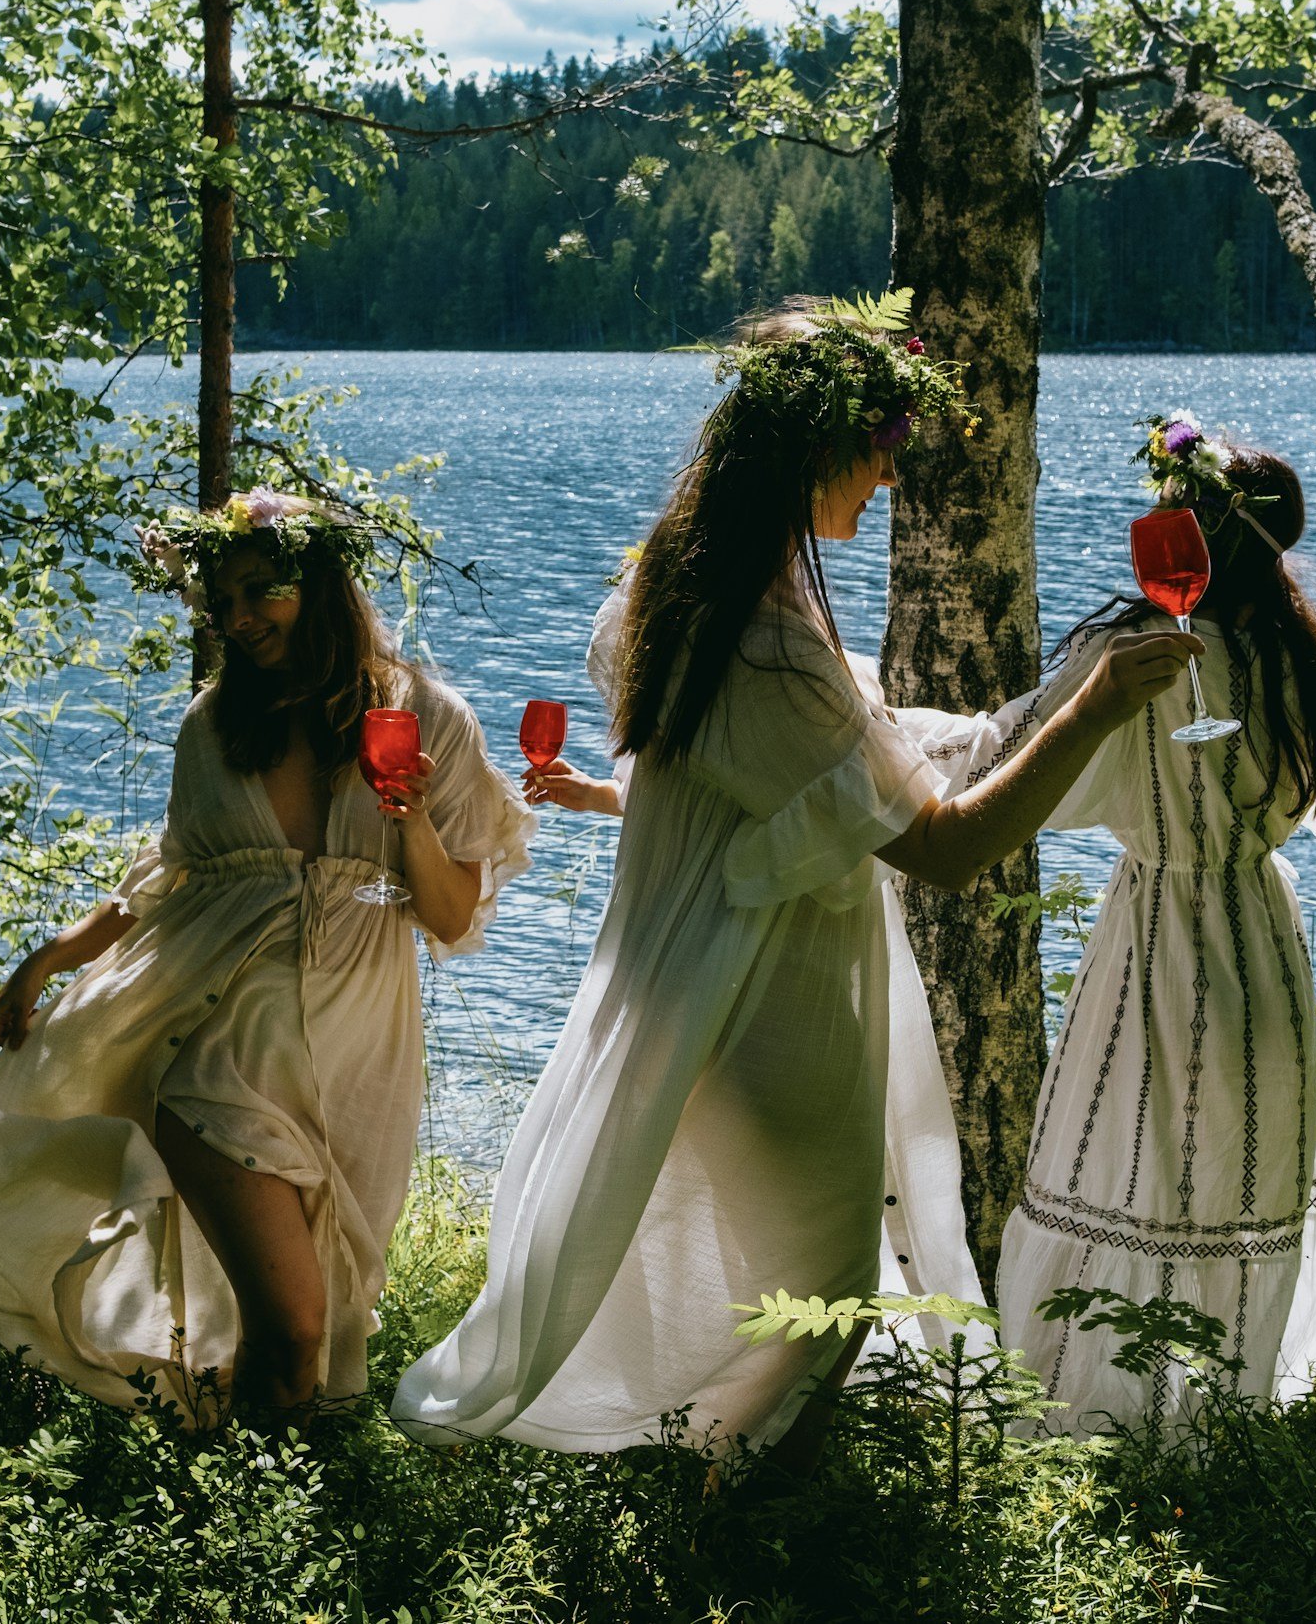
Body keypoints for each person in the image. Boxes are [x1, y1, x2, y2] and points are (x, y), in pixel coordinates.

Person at [392, 297, 1200, 1463]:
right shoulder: (766, 643)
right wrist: (1098, 704)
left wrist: (1019, 713)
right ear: (815, 450)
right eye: (878, 452)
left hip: (692, 978)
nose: (887, 481)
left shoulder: (675, 594)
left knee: (787, 1279)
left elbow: (780, 764)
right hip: (761, 991)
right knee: (823, 1287)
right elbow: (945, 848)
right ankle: (723, 1506)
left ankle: (713, 1487)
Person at [0, 493, 534, 1426]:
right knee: (294, 1327)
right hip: (220, 1060)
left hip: (356, 1069)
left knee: (311, 1327)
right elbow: (167, 882)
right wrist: (52, 958)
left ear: (322, 585)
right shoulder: (216, 725)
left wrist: (411, 816)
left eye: (261, 590)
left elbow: (451, 915)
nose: (238, 618)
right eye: (222, 601)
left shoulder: (428, 717)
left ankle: (251, 1501)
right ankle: (250, 1506)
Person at [960, 420, 1316, 1438]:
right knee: (1233, 1172)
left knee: (1127, 1155)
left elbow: (998, 753)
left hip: (1155, 930)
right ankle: (1219, 1414)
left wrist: (878, 733)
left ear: (1188, 537)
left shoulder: (1130, 658)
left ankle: (1093, 1410)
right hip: (1259, 938)